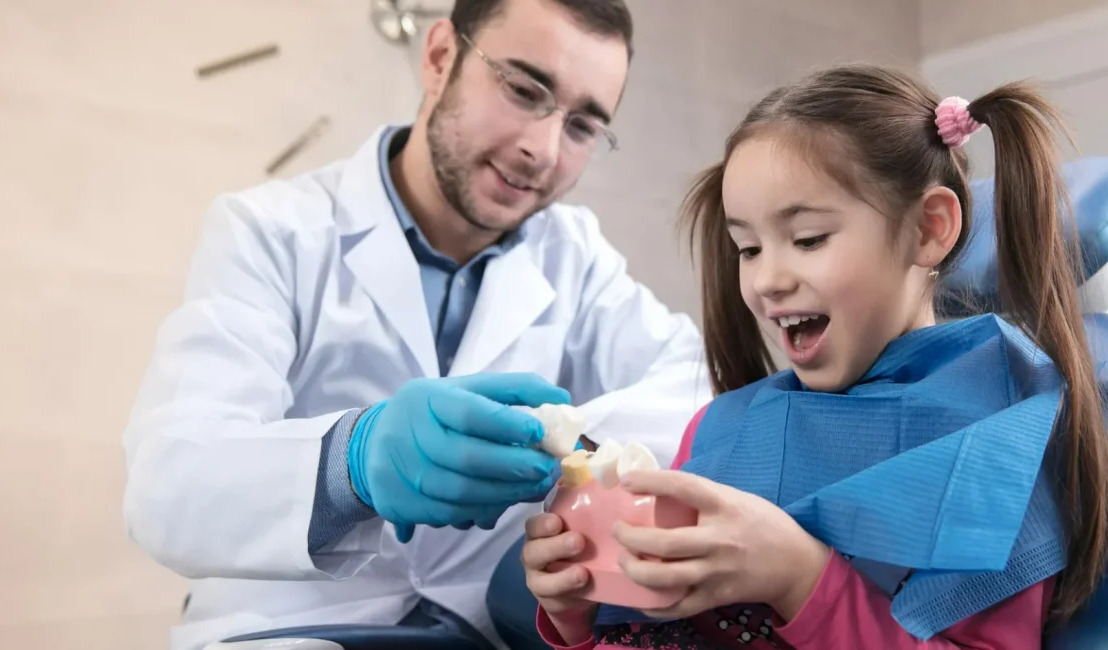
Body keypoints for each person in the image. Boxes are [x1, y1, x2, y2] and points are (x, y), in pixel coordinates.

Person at [120, 0, 710, 648]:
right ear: (439, 59)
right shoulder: (271, 232)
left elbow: (700, 388)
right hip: (295, 629)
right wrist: (353, 461)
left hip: (485, 631)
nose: (541, 149)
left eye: (582, 126)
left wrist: (572, 447)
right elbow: (168, 486)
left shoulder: (576, 256)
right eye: (523, 89)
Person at [522, 63, 1108, 649]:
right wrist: (580, 605)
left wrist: (802, 578)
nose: (767, 281)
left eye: (807, 239)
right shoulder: (721, 428)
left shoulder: (995, 444)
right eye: (748, 248)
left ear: (927, 229)